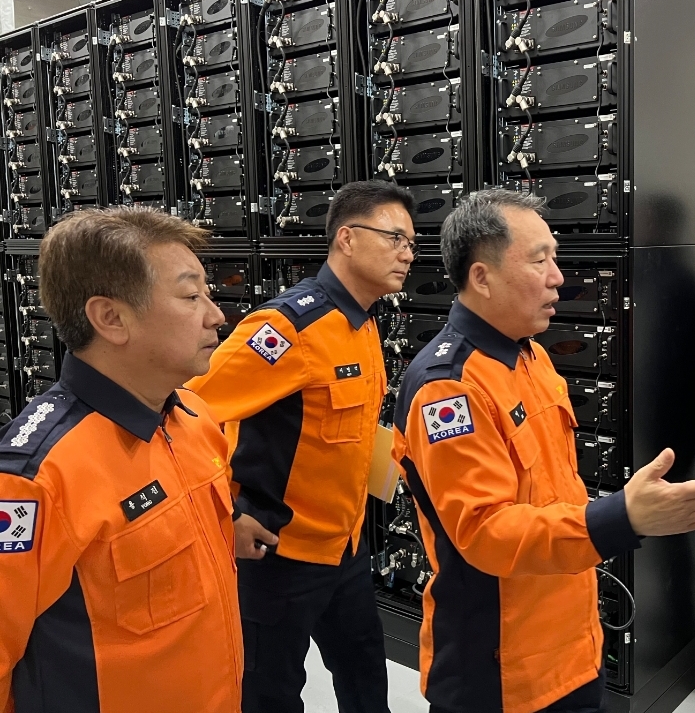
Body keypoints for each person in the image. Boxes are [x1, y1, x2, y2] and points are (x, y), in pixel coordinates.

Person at [391, 189, 695, 713]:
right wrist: (622, 517)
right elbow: (486, 533)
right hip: (503, 672)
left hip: (572, 647)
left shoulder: (530, 355)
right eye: (540, 261)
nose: (558, 276)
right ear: (482, 277)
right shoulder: (449, 388)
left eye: (554, 258)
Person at [186, 180, 417, 713]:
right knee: (269, 694)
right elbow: (188, 411)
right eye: (394, 238)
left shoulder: (363, 324)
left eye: (411, 243)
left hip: (346, 547)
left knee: (366, 678)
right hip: (279, 554)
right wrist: (227, 513)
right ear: (347, 239)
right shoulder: (290, 328)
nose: (407, 253)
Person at [0, 207, 241, 712]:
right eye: (191, 296)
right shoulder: (35, 480)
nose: (216, 315)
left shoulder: (193, 417)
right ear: (110, 318)